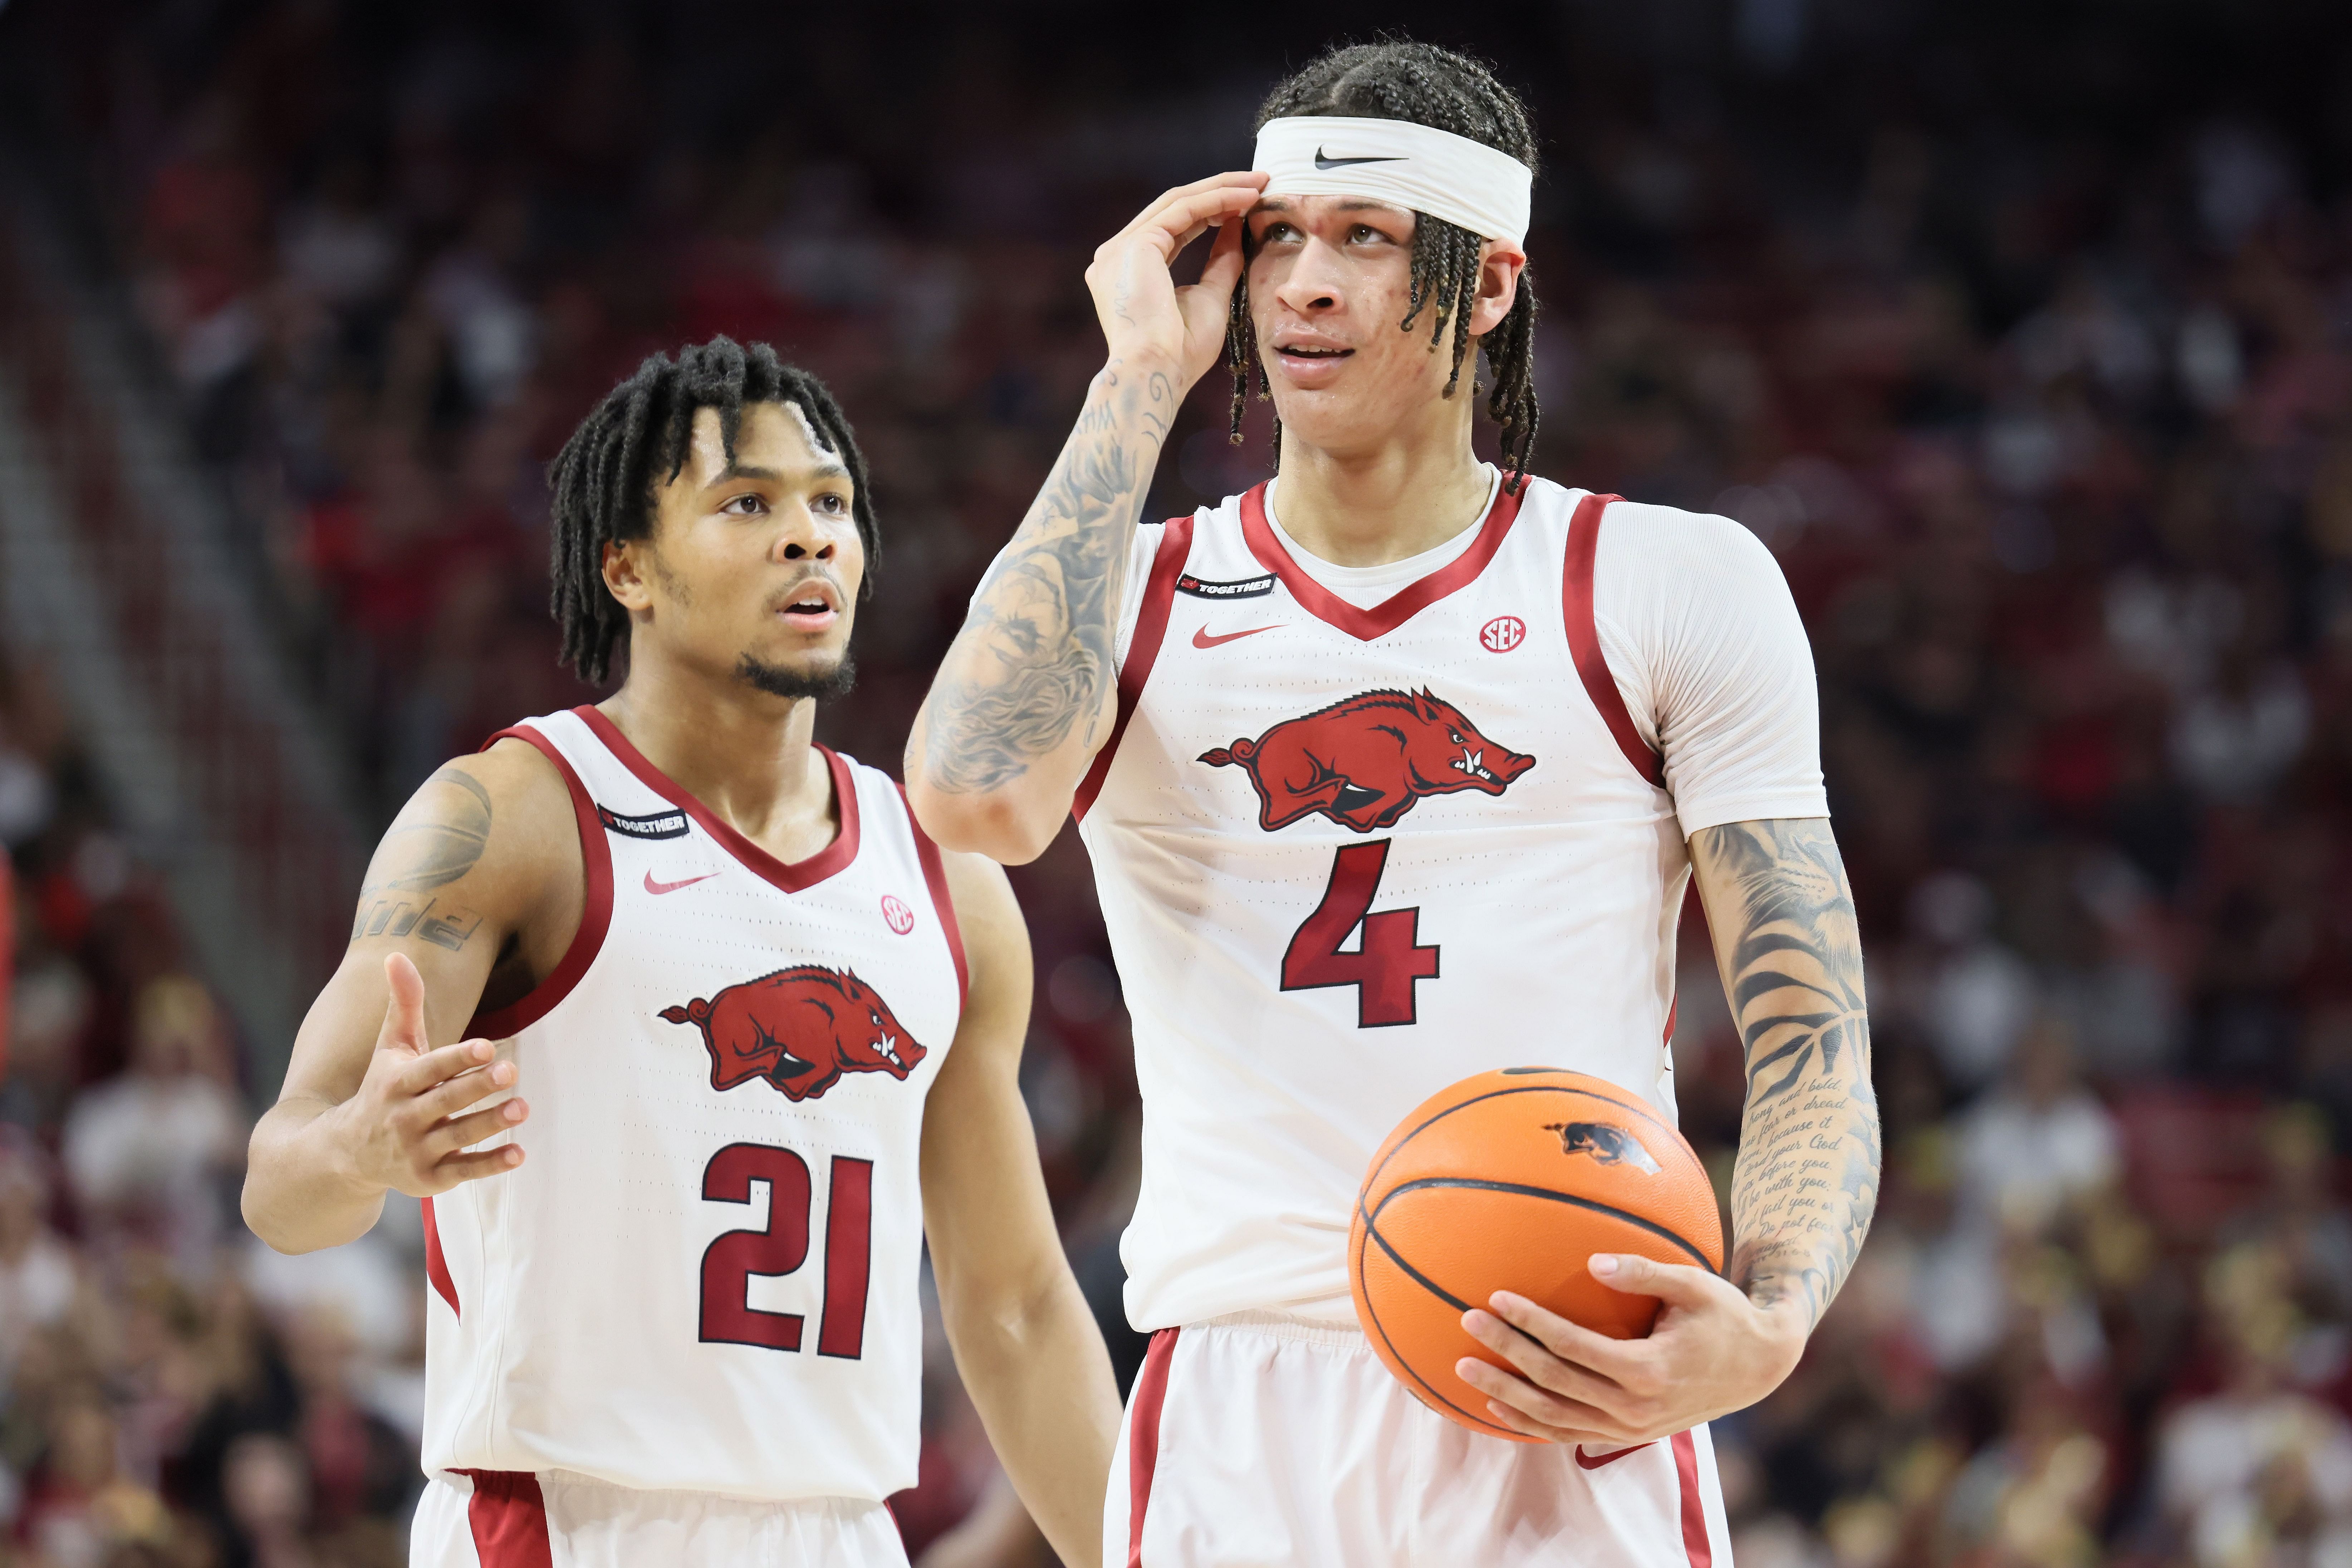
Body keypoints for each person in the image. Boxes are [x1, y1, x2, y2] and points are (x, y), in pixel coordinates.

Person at [907, 41, 1880, 1568]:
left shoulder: (1669, 581)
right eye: (1279, 235)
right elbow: (967, 796)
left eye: (1364, 239)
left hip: (1570, 1359)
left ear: (1487, 286)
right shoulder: (1138, 593)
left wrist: (1770, 1314)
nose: (1303, 283)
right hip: (1239, 1396)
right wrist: (1134, 383)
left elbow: (1810, 1021)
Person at [243, 339, 1120, 1567]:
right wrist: (361, 1147)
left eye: (830, 503)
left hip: (838, 1532)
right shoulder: (513, 818)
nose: (809, 536)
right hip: (571, 1524)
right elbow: (279, 1190)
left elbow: (1019, 1312)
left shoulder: (950, 885)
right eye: (747, 503)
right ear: (629, 569)